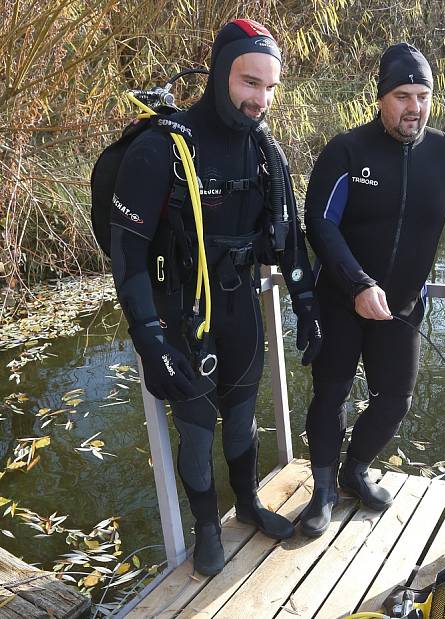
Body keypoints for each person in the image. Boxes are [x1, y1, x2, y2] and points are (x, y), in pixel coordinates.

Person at [110, 19, 322, 576]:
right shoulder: (161, 149)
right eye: (250, 82)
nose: (261, 99)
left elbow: (290, 239)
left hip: (242, 309)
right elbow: (126, 258)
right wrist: (149, 338)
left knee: (244, 415)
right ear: (219, 72)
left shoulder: (265, 153)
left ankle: (248, 502)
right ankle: (207, 525)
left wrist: (306, 307)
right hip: (184, 316)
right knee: (198, 428)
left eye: (271, 88)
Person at [299, 43, 445, 537]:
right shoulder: (346, 151)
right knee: (331, 395)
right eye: (402, 95)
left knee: (395, 399)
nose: (414, 107)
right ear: (381, 98)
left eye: (423, 95)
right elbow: (320, 225)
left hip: (402, 307)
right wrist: (358, 283)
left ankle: (354, 469)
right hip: (340, 300)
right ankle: (322, 489)